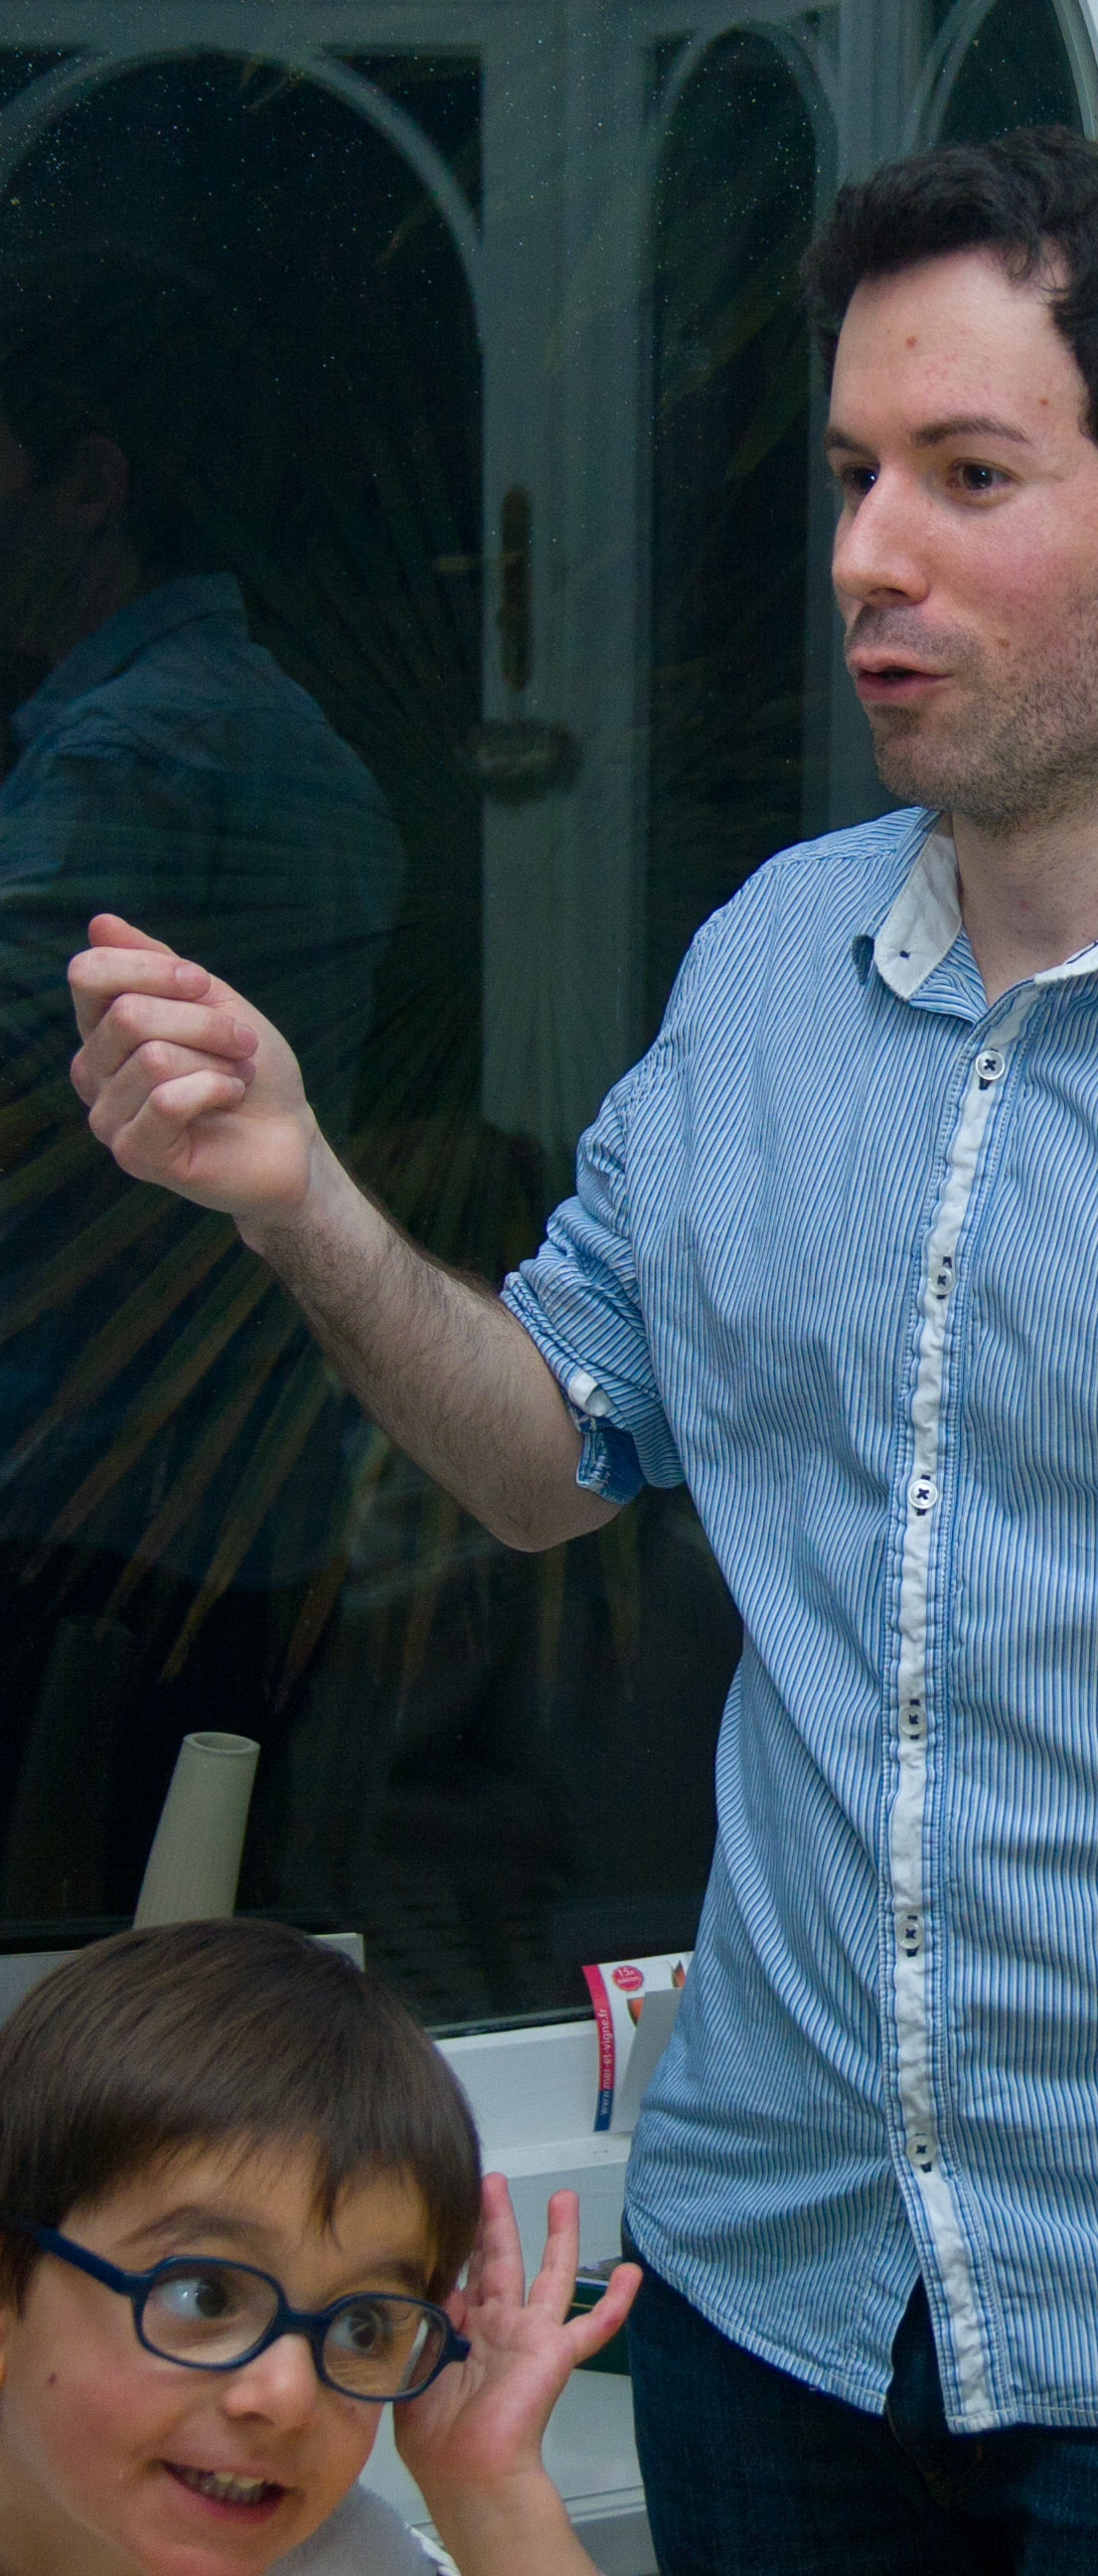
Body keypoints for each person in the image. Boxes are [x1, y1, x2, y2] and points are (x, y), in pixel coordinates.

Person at [66, 130, 1098, 2576]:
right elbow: (544, 1455)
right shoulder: (763, 972)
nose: (861, 555)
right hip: (766, 2292)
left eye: (964, 477)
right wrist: (302, 1199)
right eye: (848, 473)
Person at [0, 246, 405, 1921]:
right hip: (239, 1472)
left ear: (89, 485)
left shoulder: (133, 755)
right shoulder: (277, 725)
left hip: (88, 1483)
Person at [0, 1914, 638, 2574]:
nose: (288, 2395)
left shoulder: (349, 2559)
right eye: (206, 2295)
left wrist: (488, 2495)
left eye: (362, 2328)